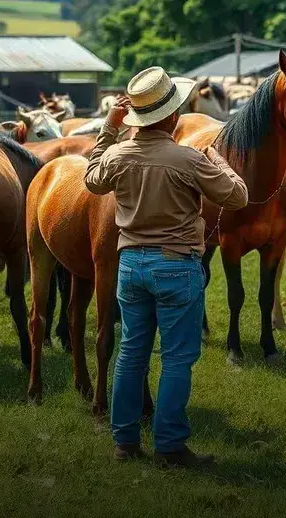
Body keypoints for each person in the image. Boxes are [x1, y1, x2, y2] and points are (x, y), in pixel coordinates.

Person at [84, 67, 248, 467]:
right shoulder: (188, 157)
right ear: (173, 116)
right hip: (177, 265)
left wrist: (108, 129)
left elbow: (91, 177)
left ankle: (124, 442)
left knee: (131, 353)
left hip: (130, 266)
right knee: (176, 358)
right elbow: (238, 197)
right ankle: (170, 446)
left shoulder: (118, 156)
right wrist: (218, 161)